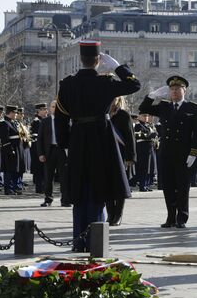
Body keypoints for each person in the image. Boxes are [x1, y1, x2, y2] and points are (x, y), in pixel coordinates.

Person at [55, 40, 141, 252]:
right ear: (97, 61)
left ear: (80, 60)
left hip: (77, 139)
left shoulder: (67, 84)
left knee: (79, 191)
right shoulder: (106, 82)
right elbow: (134, 84)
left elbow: (60, 119)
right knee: (97, 188)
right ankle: (96, 241)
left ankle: (78, 241)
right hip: (101, 139)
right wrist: (117, 67)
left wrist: (65, 144)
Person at [139, 75, 197, 228]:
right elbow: (144, 109)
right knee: (167, 186)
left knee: (182, 187)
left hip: (184, 154)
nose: (173, 92)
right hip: (166, 153)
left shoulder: (192, 108)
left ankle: (182, 218)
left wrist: (193, 153)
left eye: (177, 89)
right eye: (171, 89)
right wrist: (152, 96)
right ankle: (170, 217)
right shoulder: (164, 106)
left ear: (184, 90)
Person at [106, 96, 136, 226]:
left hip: (121, 154)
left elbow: (130, 137)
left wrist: (130, 157)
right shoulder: (104, 114)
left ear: (118, 100)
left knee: (119, 186)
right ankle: (110, 213)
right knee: (106, 186)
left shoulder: (123, 115)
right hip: (106, 154)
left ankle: (118, 215)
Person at [36, 100, 70, 207]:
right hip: (49, 151)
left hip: (61, 150)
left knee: (64, 177)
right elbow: (40, 139)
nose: (54, 108)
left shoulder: (65, 121)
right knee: (48, 177)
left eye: (56, 106)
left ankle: (65, 200)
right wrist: (41, 154)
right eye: (52, 106)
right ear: (50, 108)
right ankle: (48, 199)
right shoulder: (45, 122)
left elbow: (70, 136)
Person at [0, 105, 24, 195]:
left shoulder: (13, 122)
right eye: (15, 112)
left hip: (17, 149)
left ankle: (14, 187)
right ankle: (8, 188)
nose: (16, 114)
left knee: (15, 169)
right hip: (10, 150)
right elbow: (4, 139)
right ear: (11, 112)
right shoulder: (4, 123)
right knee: (9, 170)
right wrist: (10, 150)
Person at [134, 113, 157, 192]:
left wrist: (152, 134)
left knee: (149, 167)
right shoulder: (138, 125)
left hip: (149, 148)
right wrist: (150, 135)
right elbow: (138, 136)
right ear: (139, 116)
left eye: (147, 116)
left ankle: (146, 184)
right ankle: (142, 185)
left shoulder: (147, 125)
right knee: (143, 167)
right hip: (142, 148)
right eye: (144, 116)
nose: (146, 117)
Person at [30, 103, 48, 194]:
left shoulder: (42, 120)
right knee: (38, 168)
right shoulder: (37, 121)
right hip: (37, 148)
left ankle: (43, 186)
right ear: (38, 111)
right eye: (44, 109)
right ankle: (39, 187)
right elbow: (36, 137)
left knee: (42, 168)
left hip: (41, 147)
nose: (46, 111)